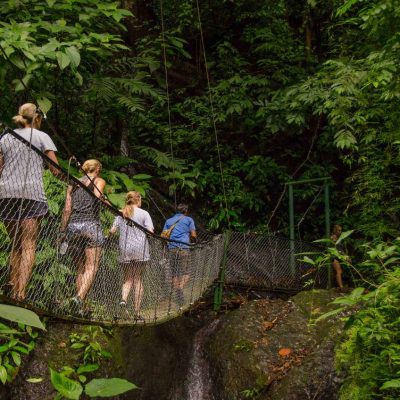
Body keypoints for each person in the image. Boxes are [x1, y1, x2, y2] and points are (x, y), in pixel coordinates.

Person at [0, 103, 59, 301]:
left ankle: (11, 280)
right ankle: (20, 292)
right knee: (28, 245)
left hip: (6, 194)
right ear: (37, 118)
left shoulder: (6, 137)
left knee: (16, 243)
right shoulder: (42, 137)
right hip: (31, 195)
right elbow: (55, 169)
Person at [61, 159, 106, 307]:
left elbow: (67, 209)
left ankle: (79, 303)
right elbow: (98, 197)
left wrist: (63, 230)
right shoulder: (98, 180)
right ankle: (79, 298)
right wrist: (104, 198)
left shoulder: (73, 183)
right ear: (97, 169)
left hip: (73, 227)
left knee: (80, 268)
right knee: (91, 266)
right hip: (91, 226)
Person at [109, 191, 154, 320]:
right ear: (138, 200)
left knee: (127, 278)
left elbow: (112, 231)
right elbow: (151, 231)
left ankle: (123, 300)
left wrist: (108, 236)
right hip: (140, 248)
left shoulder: (121, 213)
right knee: (137, 279)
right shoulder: (144, 213)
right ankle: (137, 313)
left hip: (125, 249)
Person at [163, 203, 196, 307]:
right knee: (186, 272)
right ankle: (180, 288)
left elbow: (163, 235)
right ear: (186, 211)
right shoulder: (189, 220)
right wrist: (194, 242)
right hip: (184, 248)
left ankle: (177, 290)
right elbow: (193, 235)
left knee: (174, 273)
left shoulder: (168, 221)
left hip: (172, 248)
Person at [331, 224, 344, 289]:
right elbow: (333, 247)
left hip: (339, 257)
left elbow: (340, 249)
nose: (340, 232)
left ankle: (336, 286)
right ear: (335, 231)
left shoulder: (339, 239)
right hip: (334, 257)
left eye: (341, 230)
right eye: (339, 230)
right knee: (339, 271)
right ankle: (341, 287)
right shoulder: (333, 237)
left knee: (336, 272)